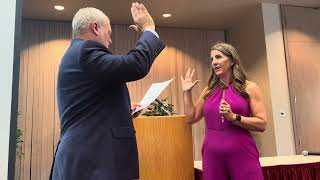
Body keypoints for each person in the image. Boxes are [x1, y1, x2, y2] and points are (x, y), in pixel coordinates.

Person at [50, 3, 165, 180]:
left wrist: (123, 111)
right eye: (109, 33)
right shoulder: (85, 51)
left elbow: (88, 109)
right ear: (95, 27)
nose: (109, 40)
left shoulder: (76, 54)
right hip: (93, 161)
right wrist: (149, 30)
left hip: (87, 158)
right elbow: (135, 65)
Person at [181, 42, 266, 180]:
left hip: (241, 151)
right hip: (212, 155)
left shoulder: (250, 87)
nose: (214, 62)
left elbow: (262, 124)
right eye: (212, 59)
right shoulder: (209, 90)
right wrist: (186, 93)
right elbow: (191, 117)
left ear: (232, 61)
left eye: (218, 57)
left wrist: (234, 117)